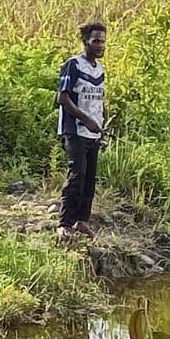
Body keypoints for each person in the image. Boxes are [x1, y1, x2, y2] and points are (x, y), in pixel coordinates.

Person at [57, 22, 108, 237]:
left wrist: (102, 124)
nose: (100, 45)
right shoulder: (73, 65)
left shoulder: (100, 70)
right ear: (85, 41)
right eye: (96, 41)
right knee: (76, 175)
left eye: (103, 41)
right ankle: (64, 223)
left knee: (90, 178)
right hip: (75, 130)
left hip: (94, 132)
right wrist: (86, 120)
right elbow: (63, 98)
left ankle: (82, 220)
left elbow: (99, 100)